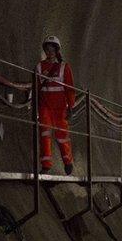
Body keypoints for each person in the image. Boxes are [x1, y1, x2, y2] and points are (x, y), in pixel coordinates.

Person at [35, 36, 76, 175]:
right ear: (45, 50)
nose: (50, 52)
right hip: (45, 106)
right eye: (48, 49)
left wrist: (71, 106)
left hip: (59, 108)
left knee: (62, 135)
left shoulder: (64, 67)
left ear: (56, 50)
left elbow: (70, 88)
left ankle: (68, 162)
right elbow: (36, 88)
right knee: (45, 134)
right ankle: (46, 165)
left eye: (52, 49)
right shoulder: (39, 67)